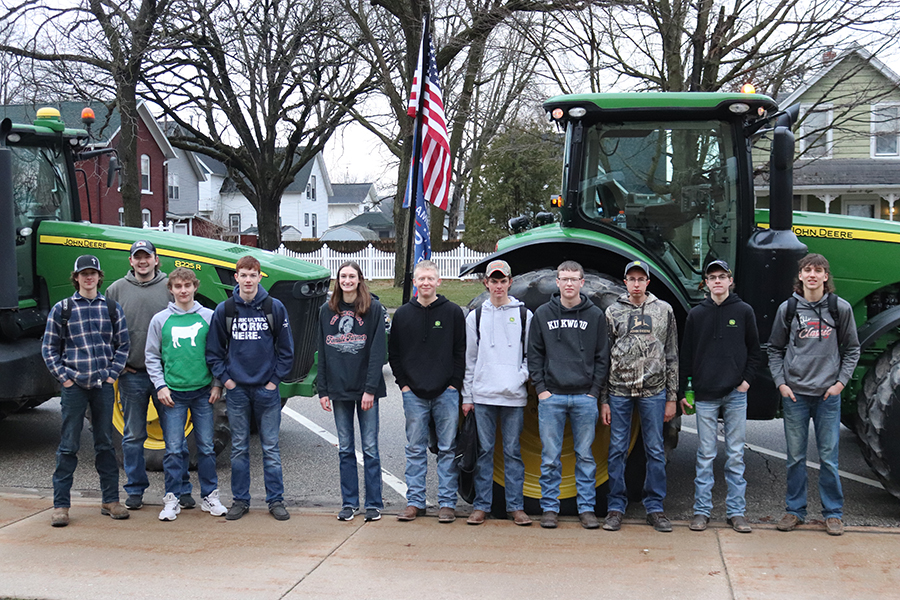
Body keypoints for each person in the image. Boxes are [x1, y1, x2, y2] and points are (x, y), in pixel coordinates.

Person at [768, 253, 860, 536]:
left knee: (829, 458)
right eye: (807, 270)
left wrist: (840, 384)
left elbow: (853, 349)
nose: (811, 275)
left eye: (817, 270)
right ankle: (795, 511)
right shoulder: (789, 308)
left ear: (825, 276)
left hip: (827, 396)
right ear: (800, 276)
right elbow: (774, 349)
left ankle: (833, 514)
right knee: (795, 457)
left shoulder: (839, 308)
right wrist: (781, 383)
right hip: (795, 395)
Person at [41, 255, 130, 527]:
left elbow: (122, 346)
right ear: (76, 277)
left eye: (93, 273)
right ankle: (61, 505)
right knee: (68, 445)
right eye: (83, 274)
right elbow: (48, 348)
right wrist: (64, 379)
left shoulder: (112, 308)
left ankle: (111, 500)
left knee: (105, 444)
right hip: (74, 387)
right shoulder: (63, 309)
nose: (88, 278)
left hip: (102, 386)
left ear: (99, 277)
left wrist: (110, 375)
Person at [206, 255, 294, 521]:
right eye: (243, 275)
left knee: (270, 449)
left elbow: (287, 351)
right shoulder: (225, 310)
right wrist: (227, 380)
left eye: (252, 275)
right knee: (239, 449)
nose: (247, 280)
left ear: (259, 276)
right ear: (236, 277)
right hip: (237, 392)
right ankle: (240, 501)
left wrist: (273, 382)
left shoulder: (274, 307)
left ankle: (275, 500)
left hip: (266, 391)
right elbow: (214, 352)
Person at [106, 240, 190, 511]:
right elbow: (103, 329)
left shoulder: (168, 289)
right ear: (131, 261)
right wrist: (116, 364)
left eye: (147, 257)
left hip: (167, 378)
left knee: (175, 437)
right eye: (137, 257)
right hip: (131, 376)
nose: (142, 261)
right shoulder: (115, 290)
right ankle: (134, 490)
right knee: (132, 436)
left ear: (156, 259)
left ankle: (180, 490)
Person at [678, 260, 761, 533]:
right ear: (706, 283)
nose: (717, 281)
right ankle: (701, 512)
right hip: (704, 396)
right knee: (705, 455)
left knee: (735, 455)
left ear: (730, 280)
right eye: (712, 277)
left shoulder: (744, 311)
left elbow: (755, 351)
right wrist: (684, 390)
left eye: (721, 276)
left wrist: (745, 382)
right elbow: (687, 356)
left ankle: (736, 512)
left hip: (735, 394)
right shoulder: (696, 315)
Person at [528, 260, 609, 530]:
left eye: (574, 279)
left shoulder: (595, 315)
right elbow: (535, 355)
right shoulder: (542, 314)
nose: (569, 283)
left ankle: (586, 508)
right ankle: (549, 508)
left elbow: (601, 357)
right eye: (564, 279)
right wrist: (542, 391)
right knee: (550, 456)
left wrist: (594, 392)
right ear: (558, 283)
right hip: (552, 398)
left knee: (585, 456)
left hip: (584, 397)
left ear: (582, 282)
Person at [145, 267, 227, 521]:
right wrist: (160, 385)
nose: (183, 290)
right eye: (178, 286)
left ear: (195, 287)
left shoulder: (209, 317)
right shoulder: (160, 320)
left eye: (187, 286)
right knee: (172, 449)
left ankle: (210, 496)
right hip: (173, 395)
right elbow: (152, 355)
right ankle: (173, 498)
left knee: (205, 447)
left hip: (203, 392)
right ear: (170, 289)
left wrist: (217, 384)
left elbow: (219, 352)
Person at [602, 260, 678, 533]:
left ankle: (655, 507)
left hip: (654, 392)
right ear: (625, 282)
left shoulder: (664, 310)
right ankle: (615, 507)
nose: (636, 283)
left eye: (640, 279)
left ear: (648, 282)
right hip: (619, 391)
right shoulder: (613, 312)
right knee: (617, 450)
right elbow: (604, 356)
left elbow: (672, 356)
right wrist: (604, 399)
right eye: (631, 279)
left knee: (655, 450)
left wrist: (671, 396)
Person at [389, 260, 466, 523]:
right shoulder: (402, 315)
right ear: (414, 282)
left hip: (446, 392)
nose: (425, 283)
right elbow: (394, 355)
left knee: (447, 448)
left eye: (430, 279)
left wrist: (454, 384)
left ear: (438, 281)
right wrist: (404, 385)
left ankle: (446, 503)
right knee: (415, 449)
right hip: (414, 395)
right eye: (421, 279)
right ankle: (415, 502)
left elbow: (460, 352)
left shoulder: (453, 313)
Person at [462, 260, 533, 526]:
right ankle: (481, 506)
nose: (498, 286)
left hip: (513, 395)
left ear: (510, 282)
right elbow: (470, 359)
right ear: (486, 283)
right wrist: (468, 397)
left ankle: (516, 507)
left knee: (513, 451)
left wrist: (519, 377)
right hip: (483, 396)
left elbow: (530, 356)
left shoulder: (525, 315)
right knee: (485, 451)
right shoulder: (476, 317)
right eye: (494, 281)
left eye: (503, 281)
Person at [317, 261, 387, 523]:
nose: (347, 280)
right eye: (343, 276)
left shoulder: (373, 309)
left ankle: (373, 504)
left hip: (366, 390)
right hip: (338, 390)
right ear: (338, 280)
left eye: (352, 276)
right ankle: (349, 503)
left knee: (370, 448)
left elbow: (378, 352)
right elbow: (322, 352)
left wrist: (369, 390)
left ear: (360, 279)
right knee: (345, 448)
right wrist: (322, 390)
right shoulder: (327, 310)